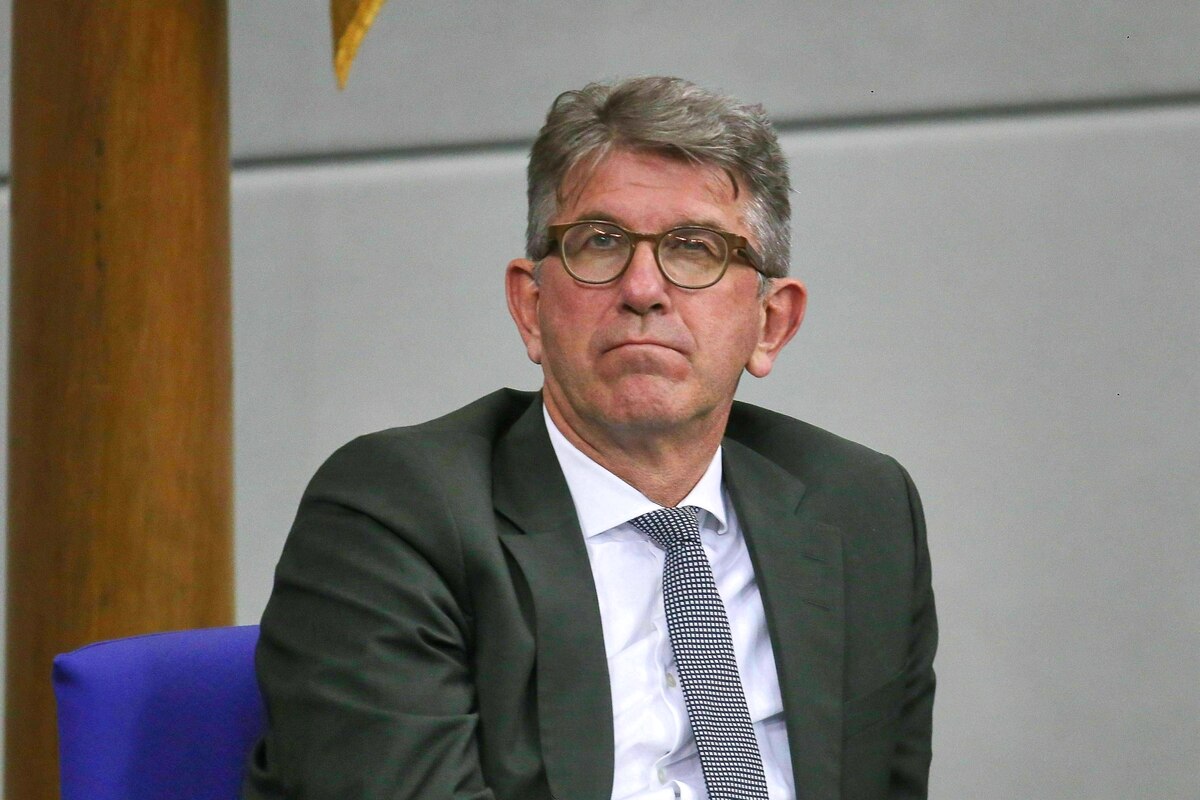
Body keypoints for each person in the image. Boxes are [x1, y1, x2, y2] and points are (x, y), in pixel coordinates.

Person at [243, 76, 936, 800]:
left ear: (771, 323)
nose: (643, 289)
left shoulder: (861, 509)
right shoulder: (395, 514)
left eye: (696, 248)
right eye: (601, 243)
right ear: (531, 308)